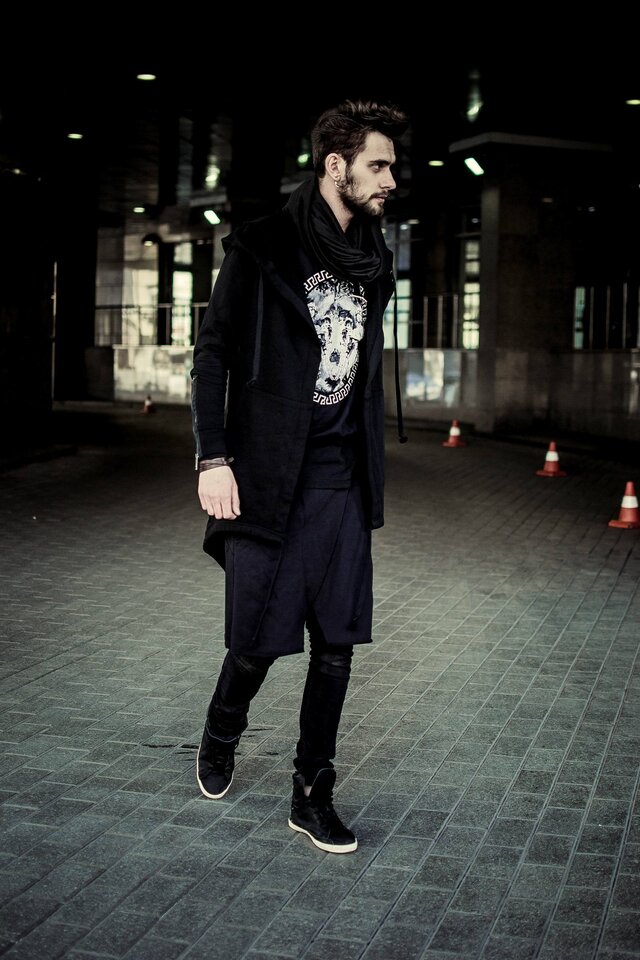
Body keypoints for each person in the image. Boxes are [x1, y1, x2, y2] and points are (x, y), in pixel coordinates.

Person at [190, 98, 409, 854]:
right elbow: (212, 354)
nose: (391, 180)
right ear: (335, 165)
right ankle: (222, 729)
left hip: (342, 480)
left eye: (392, 166)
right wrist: (212, 457)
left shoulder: (373, 260)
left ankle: (312, 794)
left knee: (336, 648)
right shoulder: (261, 247)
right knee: (256, 642)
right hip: (267, 478)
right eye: (378, 165)